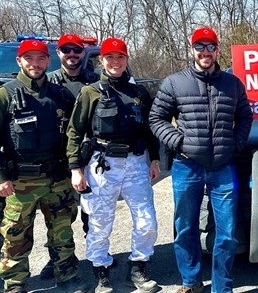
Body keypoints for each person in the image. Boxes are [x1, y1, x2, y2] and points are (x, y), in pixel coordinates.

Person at [149, 27, 253, 293]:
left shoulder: (233, 84)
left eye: (210, 47)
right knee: (185, 228)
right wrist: (179, 142)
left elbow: (245, 117)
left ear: (217, 50)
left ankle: (222, 287)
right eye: (200, 47)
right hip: (187, 166)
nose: (205, 52)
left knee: (227, 234)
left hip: (223, 167)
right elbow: (156, 118)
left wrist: (236, 144)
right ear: (191, 49)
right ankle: (190, 281)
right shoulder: (175, 82)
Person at [66, 37, 161, 293]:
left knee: (147, 221)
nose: (115, 62)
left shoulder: (139, 93)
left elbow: (151, 129)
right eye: (110, 57)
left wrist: (154, 158)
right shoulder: (90, 92)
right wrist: (76, 169)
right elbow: (75, 132)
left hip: (136, 164)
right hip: (102, 165)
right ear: (101, 60)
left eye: (120, 57)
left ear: (126, 59)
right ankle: (101, 270)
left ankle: (138, 267)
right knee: (98, 221)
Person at [0, 40, 87, 293]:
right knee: (15, 236)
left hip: (57, 178)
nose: (35, 64)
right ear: (20, 61)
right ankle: (15, 284)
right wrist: (2, 176)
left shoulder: (60, 95)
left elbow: (75, 133)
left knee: (62, 233)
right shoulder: (6, 94)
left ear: (48, 61)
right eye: (29, 59)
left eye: (40, 59)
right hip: (20, 182)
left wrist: (75, 166)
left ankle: (67, 276)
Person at [35, 34, 103, 281]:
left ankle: (97, 255)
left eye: (77, 50)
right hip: (57, 159)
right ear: (58, 53)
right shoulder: (48, 82)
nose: (72, 55)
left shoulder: (95, 81)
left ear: (83, 53)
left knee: (91, 212)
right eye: (66, 50)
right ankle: (58, 259)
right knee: (58, 215)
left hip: (88, 158)